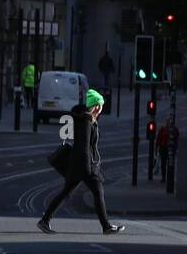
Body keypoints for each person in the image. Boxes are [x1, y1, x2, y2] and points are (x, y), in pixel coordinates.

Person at [39, 89, 124, 235]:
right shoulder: (85, 121)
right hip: (83, 165)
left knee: (73, 192)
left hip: (82, 164)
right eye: (101, 105)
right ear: (96, 106)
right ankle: (106, 226)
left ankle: (45, 220)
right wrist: (88, 170)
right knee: (96, 192)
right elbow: (84, 147)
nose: (102, 108)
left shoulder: (87, 119)